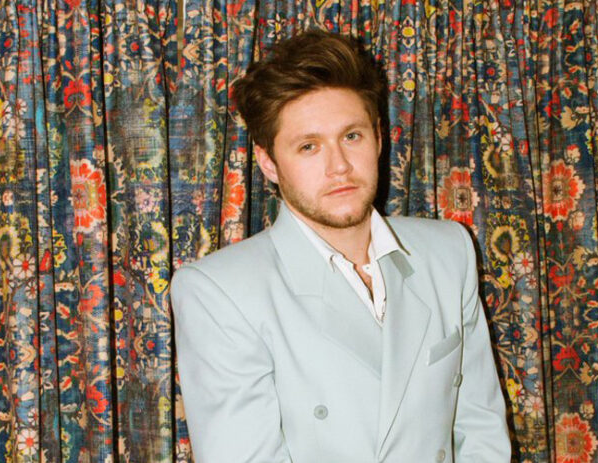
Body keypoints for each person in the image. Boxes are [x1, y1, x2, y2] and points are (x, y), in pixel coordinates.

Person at [170, 30, 511, 462]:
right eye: (309, 146)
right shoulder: (219, 292)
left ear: (379, 138)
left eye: (351, 136)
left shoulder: (449, 252)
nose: (339, 167)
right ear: (269, 162)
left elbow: (480, 430)